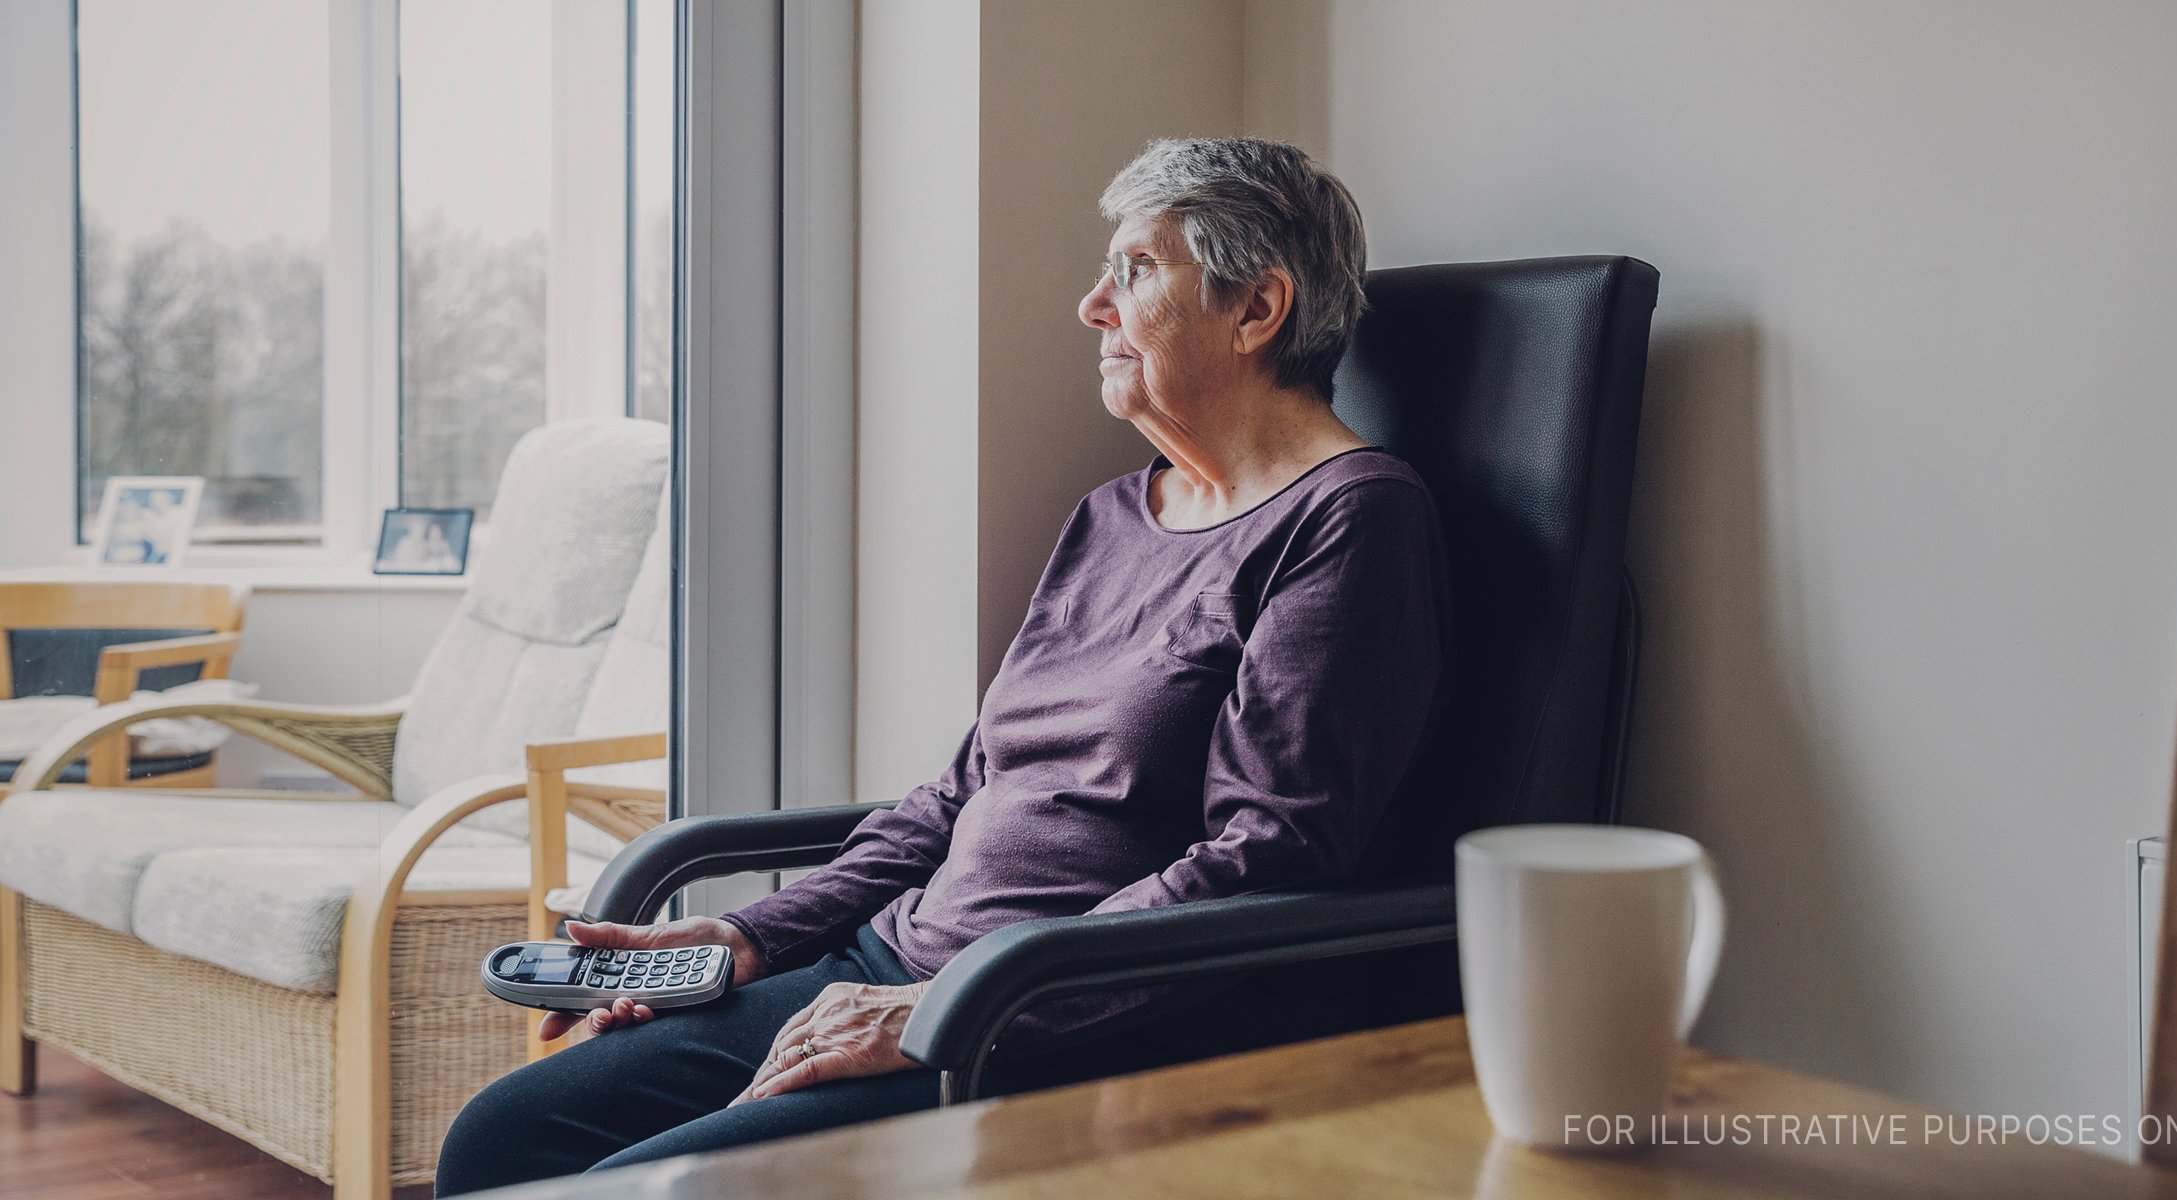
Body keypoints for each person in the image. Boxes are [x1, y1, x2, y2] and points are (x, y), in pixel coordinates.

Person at [435, 137, 1449, 1194]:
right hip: (899, 966)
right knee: (504, 1138)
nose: (1093, 306)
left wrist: (956, 1002)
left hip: (1062, 1020)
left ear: (1257, 310)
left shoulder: (1353, 519)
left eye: (1139, 271)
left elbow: (1271, 850)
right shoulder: (1113, 516)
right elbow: (966, 789)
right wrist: (746, 935)